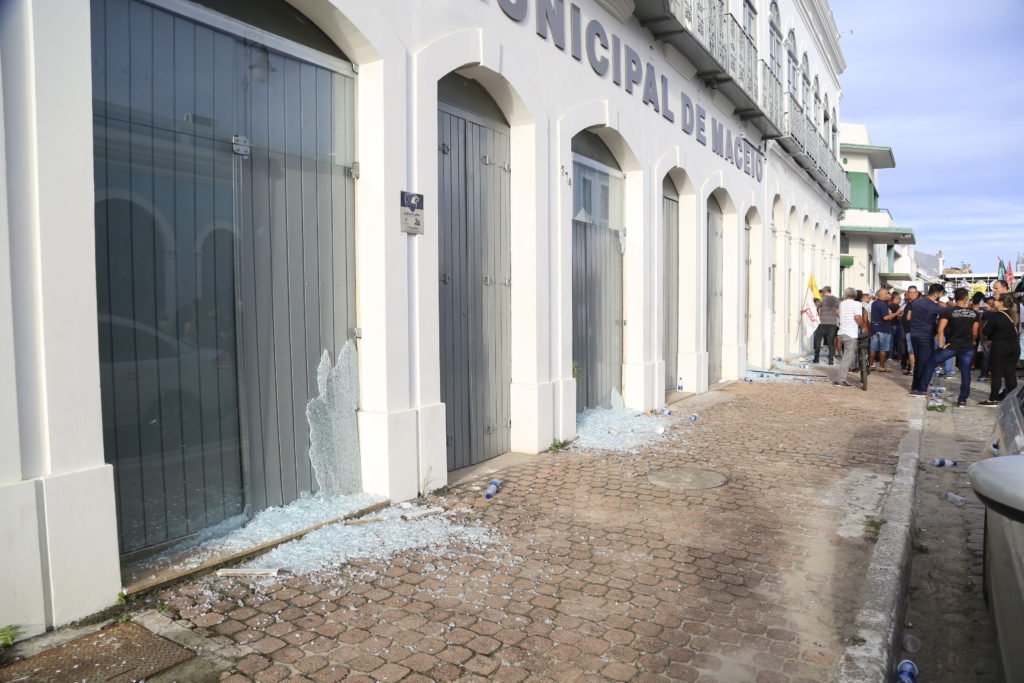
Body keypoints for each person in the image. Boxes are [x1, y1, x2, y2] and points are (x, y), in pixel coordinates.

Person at [912, 288, 979, 407]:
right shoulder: (974, 313)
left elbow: (940, 330)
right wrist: (973, 341)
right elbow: (975, 332)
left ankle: (922, 389)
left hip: (951, 345)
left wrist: (941, 344)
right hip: (967, 346)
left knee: (930, 363)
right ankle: (962, 399)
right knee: (965, 373)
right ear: (966, 297)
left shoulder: (948, 311)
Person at [980, 293, 1020, 406]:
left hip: (1000, 347)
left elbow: (985, 331)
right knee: (1010, 374)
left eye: (996, 300)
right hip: (1014, 346)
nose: (994, 301)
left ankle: (993, 399)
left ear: (1001, 302)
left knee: (996, 374)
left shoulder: (996, 315)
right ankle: (1013, 399)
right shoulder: (1013, 314)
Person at [908, 283, 946, 395]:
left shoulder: (916, 302)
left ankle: (915, 386)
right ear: (936, 294)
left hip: (914, 334)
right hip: (926, 336)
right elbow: (947, 312)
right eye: (941, 294)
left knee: (918, 362)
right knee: (925, 362)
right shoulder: (934, 306)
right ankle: (921, 388)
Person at [832, 287, 864, 387]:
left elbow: (837, 314)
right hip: (851, 333)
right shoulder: (857, 304)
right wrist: (864, 326)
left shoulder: (842, 303)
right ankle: (840, 380)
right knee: (847, 358)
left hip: (842, 332)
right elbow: (857, 317)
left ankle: (841, 378)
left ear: (845, 295)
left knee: (846, 357)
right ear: (855, 295)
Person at [869, 288, 898, 371]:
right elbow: (885, 317)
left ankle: (871, 365)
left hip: (874, 328)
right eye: (887, 293)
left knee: (873, 348)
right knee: (883, 349)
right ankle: (882, 366)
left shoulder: (874, 303)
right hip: (883, 328)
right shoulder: (883, 304)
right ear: (881, 295)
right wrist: (896, 313)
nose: (888, 295)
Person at [813, 286, 839, 365]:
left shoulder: (822, 298)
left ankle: (816, 358)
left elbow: (815, 306)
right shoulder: (836, 299)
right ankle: (831, 360)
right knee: (831, 342)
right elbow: (838, 310)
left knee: (818, 340)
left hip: (822, 322)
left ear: (824, 291)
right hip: (833, 323)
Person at [900, 286, 918, 375]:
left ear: (917, 293)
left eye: (914, 292)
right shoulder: (909, 303)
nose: (912, 294)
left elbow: (908, 317)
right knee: (911, 351)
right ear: (907, 293)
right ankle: (911, 369)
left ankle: (912, 370)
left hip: (912, 330)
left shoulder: (914, 304)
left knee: (912, 351)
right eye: (910, 292)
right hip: (908, 330)